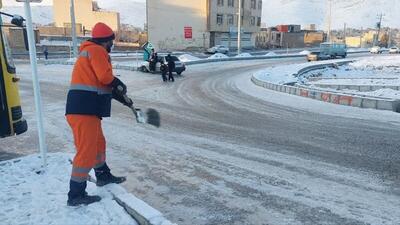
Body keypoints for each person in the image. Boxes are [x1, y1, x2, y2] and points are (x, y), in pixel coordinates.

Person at [65, 22, 133, 206]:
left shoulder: (91, 52)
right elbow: (105, 78)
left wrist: (121, 97)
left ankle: (103, 175)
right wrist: (118, 83)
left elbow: (101, 84)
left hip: (86, 109)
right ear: (106, 41)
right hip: (83, 110)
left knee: (98, 144)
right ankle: (76, 194)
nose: (112, 45)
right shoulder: (96, 51)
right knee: (86, 151)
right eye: (111, 41)